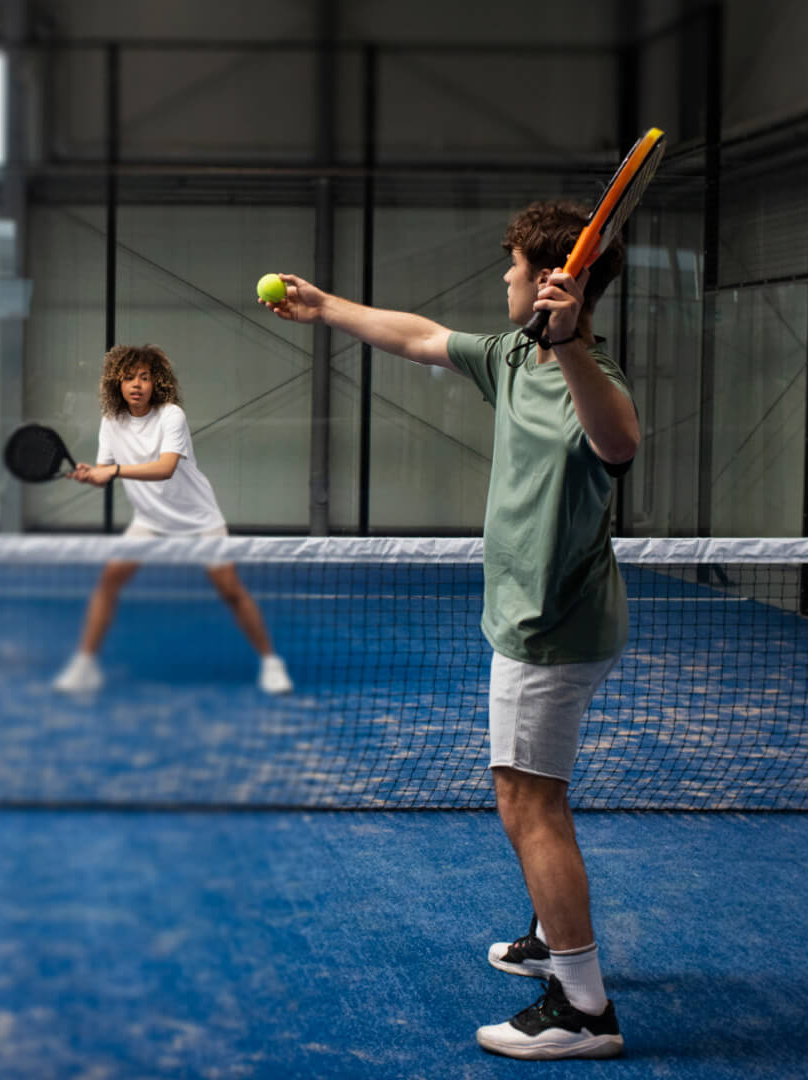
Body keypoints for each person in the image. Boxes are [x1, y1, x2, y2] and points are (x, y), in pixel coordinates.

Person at [264, 199, 636, 1061]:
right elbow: (421, 337)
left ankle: (583, 1009)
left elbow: (618, 444)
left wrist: (572, 339)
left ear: (551, 279)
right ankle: (551, 938)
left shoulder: (587, 370)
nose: (503, 279)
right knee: (538, 789)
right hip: (529, 612)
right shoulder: (511, 354)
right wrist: (326, 309)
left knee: (525, 799)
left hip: (552, 624)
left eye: (513, 267)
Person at [52, 344, 293, 697]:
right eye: (129, 377)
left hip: (199, 520)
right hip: (150, 520)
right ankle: (85, 663)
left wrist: (113, 471)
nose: (137, 384)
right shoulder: (111, 422)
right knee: (109, 579)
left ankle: (272, 662)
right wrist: (91, 474)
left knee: (229, 589)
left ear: (156, 383)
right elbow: (106, 470)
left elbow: (165, 468)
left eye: (145, 377)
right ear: (116, 383)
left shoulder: (170, 417)